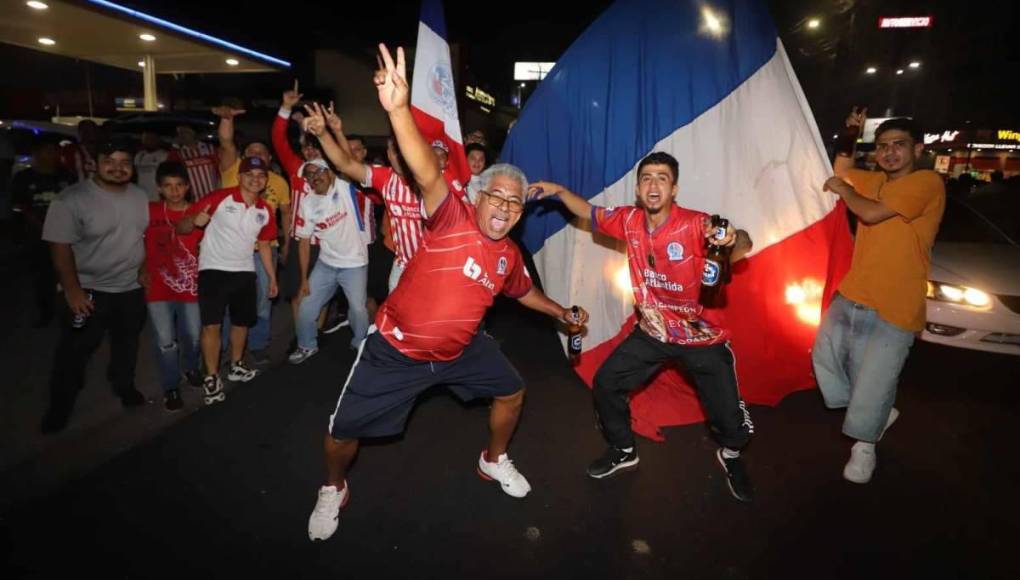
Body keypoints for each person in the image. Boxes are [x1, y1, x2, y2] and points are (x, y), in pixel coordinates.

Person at [306, 45, 588, 541]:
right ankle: (334, 488)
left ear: (522, 211)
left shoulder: (509, 256)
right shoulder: (452, 214)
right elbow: (427, 173)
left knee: (513, 392)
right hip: (396, 350)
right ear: (477, 196)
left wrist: (562, 312)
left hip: (460, 350)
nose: (503, 206)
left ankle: (493, 459)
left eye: (514, 202)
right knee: (339, 435)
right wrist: (396, 110)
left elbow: (521, 293)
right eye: (495, 196)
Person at [529, 151, 756, 503]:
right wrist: (557, 190)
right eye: (647, 177)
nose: (654, 184)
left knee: (731, 422)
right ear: (637, 189)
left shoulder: (696, 224)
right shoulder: (628, 220)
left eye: (662, 178)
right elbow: (587, 211)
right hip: (652, 332)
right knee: (606, 383)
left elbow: (741, 241)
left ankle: (731, 455)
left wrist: (729, 240)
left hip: (700, 339)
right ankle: (623, 450)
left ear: (674, 188)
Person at [813, 110, 945, 484]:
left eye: (898, 145)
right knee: (825, 356)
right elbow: (842, 167)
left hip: (897, 303)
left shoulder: (927, 182)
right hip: (854, 291)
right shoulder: (872, 179)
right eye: (883, 146)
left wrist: (845, 190)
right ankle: (876, 409)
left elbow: (868, 213)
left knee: (874, 379)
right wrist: (851, 131)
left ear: (917, 149)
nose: (889, 153)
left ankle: (864, 444)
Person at [40, 137, 149, 433]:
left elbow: (144, 237)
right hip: (88, 290)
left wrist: (145, 268)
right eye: (109, 162)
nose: (117, 168)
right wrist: (72, 290)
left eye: (124, 163)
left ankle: (124, 386)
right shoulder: (72, 200)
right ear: (95, 164)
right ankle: (60, 407)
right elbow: (60, 248)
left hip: (130, 290)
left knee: (127, 345)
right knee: (74, 352)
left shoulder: (140, 196)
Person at [176, 157, 278, 405]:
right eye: (249, 174)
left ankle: (236, 365)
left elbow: (264, 245)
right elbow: (182, 226)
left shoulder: (264, 210)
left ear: (266, 181)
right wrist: (194, 222)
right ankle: (211, 375)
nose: (255, 179)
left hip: (244, 271)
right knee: (212, 325)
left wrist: (272, 277)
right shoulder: (220, 197)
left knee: (242, 322)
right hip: (213, 270)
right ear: (240, 177)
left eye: (260, 175)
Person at [215, 104, 293, 364]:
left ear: (270, 158)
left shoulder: (279, 182)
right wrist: (227, 120)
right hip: (230, 250)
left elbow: (286, 214)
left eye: (262, 152)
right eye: (251, 151)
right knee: (228, 303)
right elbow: (226, 143)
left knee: (262, 300)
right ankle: (224, 347)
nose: (257, 155)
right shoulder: (232, 172)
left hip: (264, 249)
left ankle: (258, 344)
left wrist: (286, 245)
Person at [287, 156, 369, 363]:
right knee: (306, 305)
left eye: (318, 172)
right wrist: (304, 278)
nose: (314, 178)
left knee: (358, 308)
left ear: (330, 172)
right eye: (309, 175)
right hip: (326, 264)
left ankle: (360, 343)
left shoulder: (343, 188)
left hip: (354, 264)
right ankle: (306, 345)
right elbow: (304, 242)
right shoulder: (307, 203)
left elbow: (344, 163)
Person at [140, 161, 204, 412]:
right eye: (168, 186)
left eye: (179, 185)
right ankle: (171, 386)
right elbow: (138, 243)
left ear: (187, 186)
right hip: (158, 287)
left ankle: (190, 368)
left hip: (191, 287)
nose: (174, 191)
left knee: (194, 335)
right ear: (159, 188)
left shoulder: (198, 213)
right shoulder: (150, 211)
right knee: (166, 341)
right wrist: (142, 267)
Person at [11, 137, 75, 326]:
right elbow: (20, 206)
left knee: (67, 273)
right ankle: (45, 312)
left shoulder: (67, 176)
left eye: (55, 150)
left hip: (65, 235)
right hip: (36, 236)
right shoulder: (24, 178)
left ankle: (72, 310)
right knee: (42, 276)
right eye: (48, 150)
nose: (52, 155)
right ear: (36, 153)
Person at [168, 124, 220, 199]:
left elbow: (219, 167)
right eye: (180, 133)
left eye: (185, 132)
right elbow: (170, 168)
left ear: (193, 132)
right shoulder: (179, 153)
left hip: (214, 193)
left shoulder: (209, 148)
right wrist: (174, 146)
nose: (182, 135)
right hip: (194, 197)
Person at [134, 130, 168, 201]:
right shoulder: (139, 155)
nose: (149, 141)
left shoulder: (164, 155)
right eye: (146, 138)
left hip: (158, 198)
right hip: (141, 198)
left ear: (157, 140)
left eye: (152, 138)